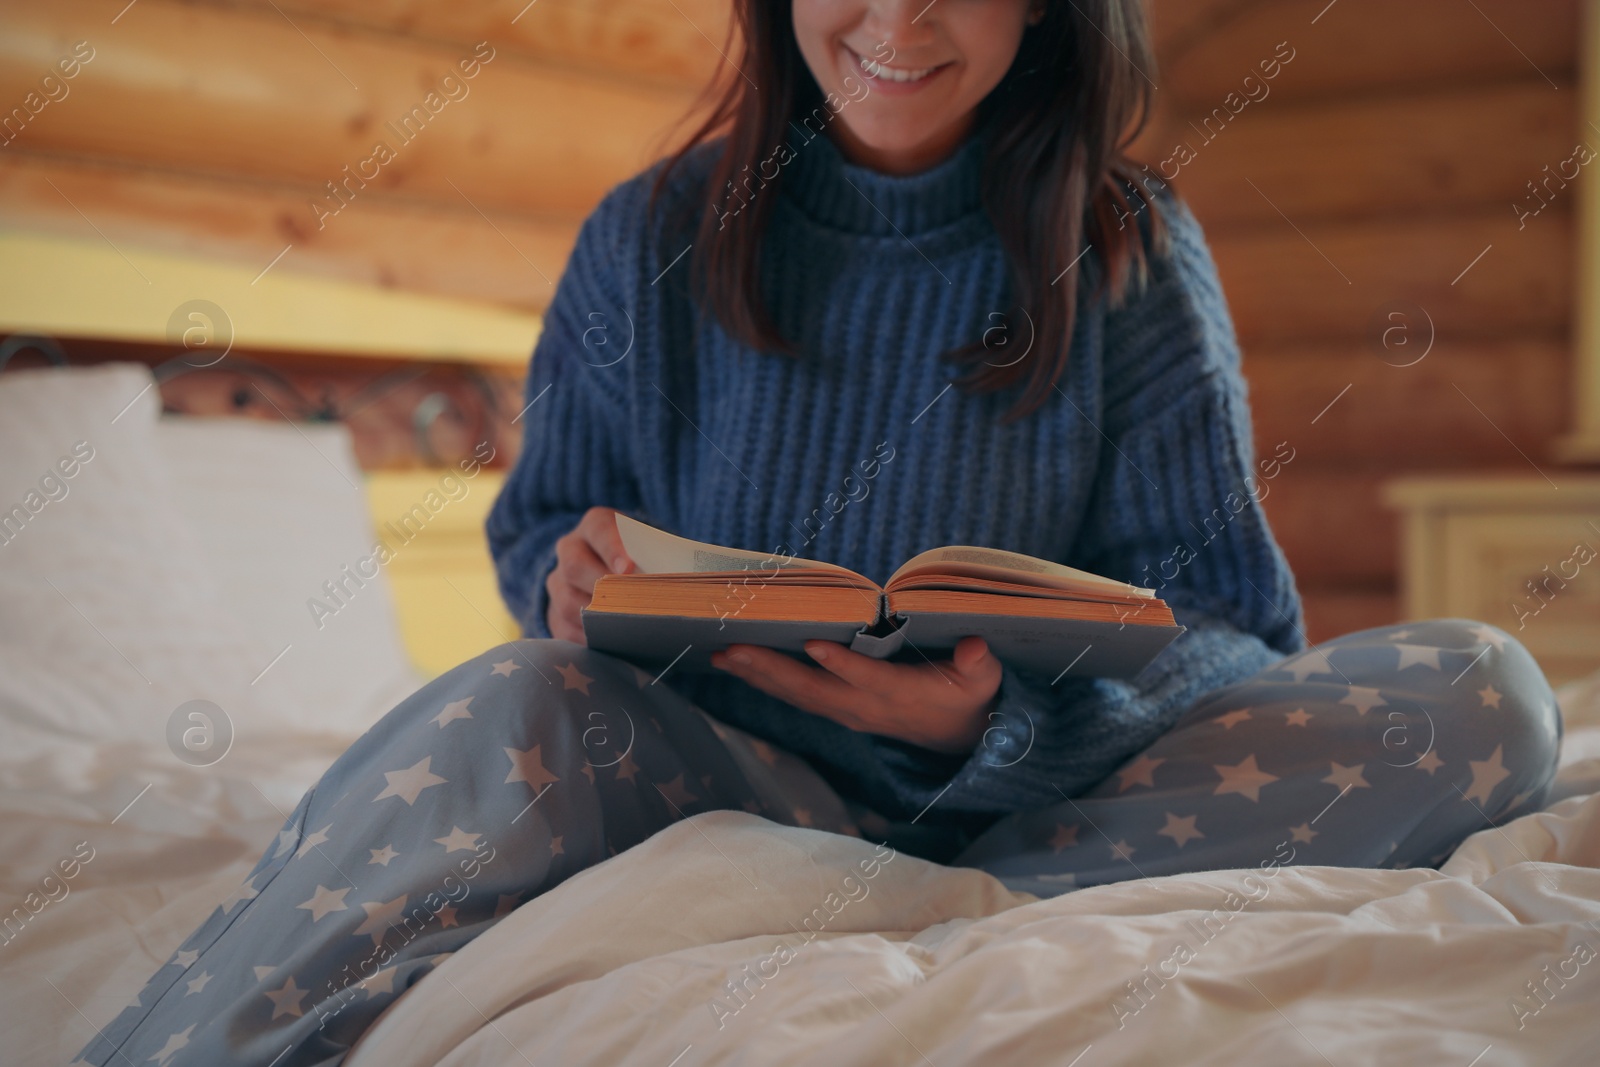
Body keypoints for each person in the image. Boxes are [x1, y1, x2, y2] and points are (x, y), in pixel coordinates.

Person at [79, 2, 1560, 1064]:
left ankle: (925, 898)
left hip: (1044, 797)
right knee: (508, 701)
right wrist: (575, 584)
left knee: (1485, 693)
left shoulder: (1129, 243)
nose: (898, 20)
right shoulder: (648, 231)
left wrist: (996, 722)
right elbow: (545, 532)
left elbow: (1233, 623)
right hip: (730, 778)